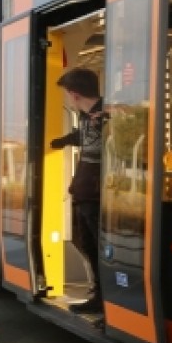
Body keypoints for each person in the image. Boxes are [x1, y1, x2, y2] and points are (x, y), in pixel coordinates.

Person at [49, 67, 106, 314]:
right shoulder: (89, 117)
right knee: (87, 242)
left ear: (73, 94)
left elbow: (95, 148)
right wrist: (62, 142)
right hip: (85, 193)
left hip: (93, 194)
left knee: (95, 246)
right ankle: (98, 292)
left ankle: (101, 297)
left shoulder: (103, 117)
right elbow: (82, 137)